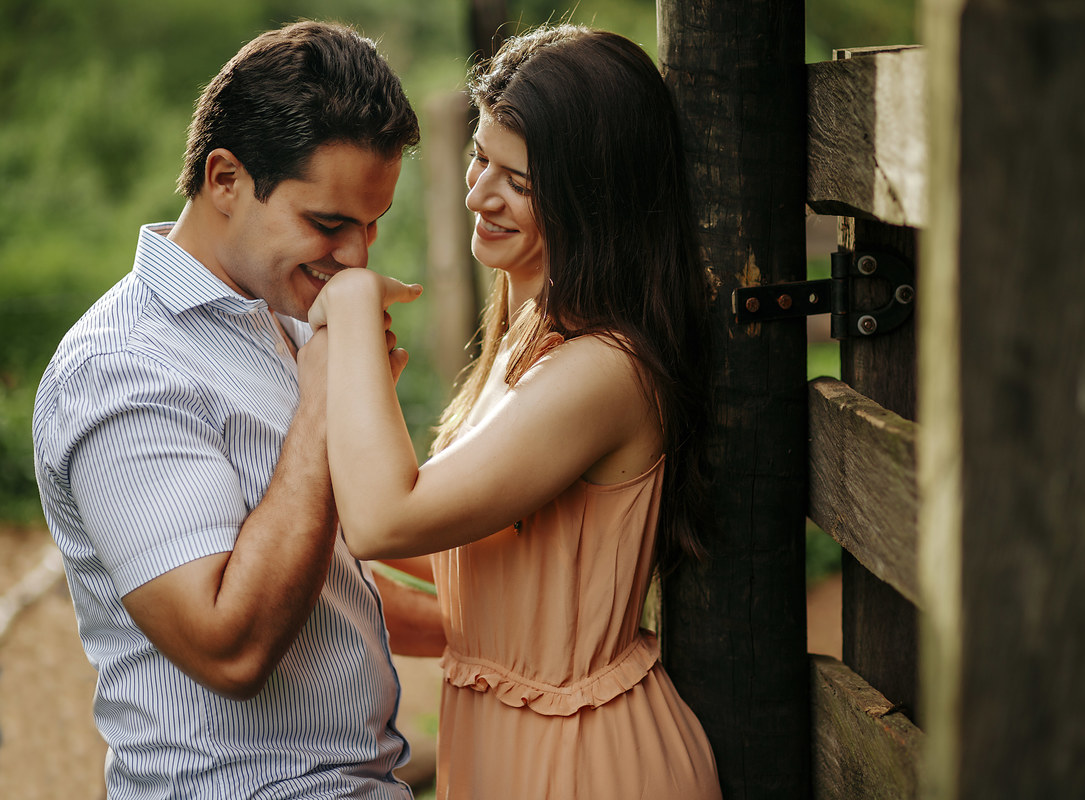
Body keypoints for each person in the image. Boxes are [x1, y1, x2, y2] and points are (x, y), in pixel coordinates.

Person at [309, 22, 722, 799]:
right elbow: (476, 549)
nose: (477, 195)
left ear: (594, 196)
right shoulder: (531, 329)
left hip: (585, 763)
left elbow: (386, 519)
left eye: (518, 183)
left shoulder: (603, 369)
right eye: (479, 157)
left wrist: (354, 302)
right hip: (511, 742)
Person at [32, 20, 437, 799]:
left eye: (372, 224)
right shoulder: (120, 372)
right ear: (224, 178)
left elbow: (323, 586)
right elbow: (231, 646)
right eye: (328, 224)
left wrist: (493, 636)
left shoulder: (282, 315)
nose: (357, 257)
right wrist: (325, 403)